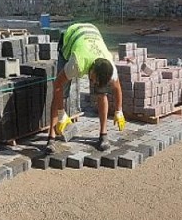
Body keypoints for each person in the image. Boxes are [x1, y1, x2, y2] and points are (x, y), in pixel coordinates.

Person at [45, 23, 126, 154]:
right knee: (60, 94)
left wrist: (119, 111)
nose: (93, 83)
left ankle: (103, 135)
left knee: (101, 93)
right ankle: (51, 138)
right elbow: (57, 85)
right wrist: (61, 113)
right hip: (71, 38)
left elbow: (117, 88)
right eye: (93, 80)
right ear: (92, 69)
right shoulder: (76, 63)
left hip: (92, 32)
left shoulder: (110, 67)